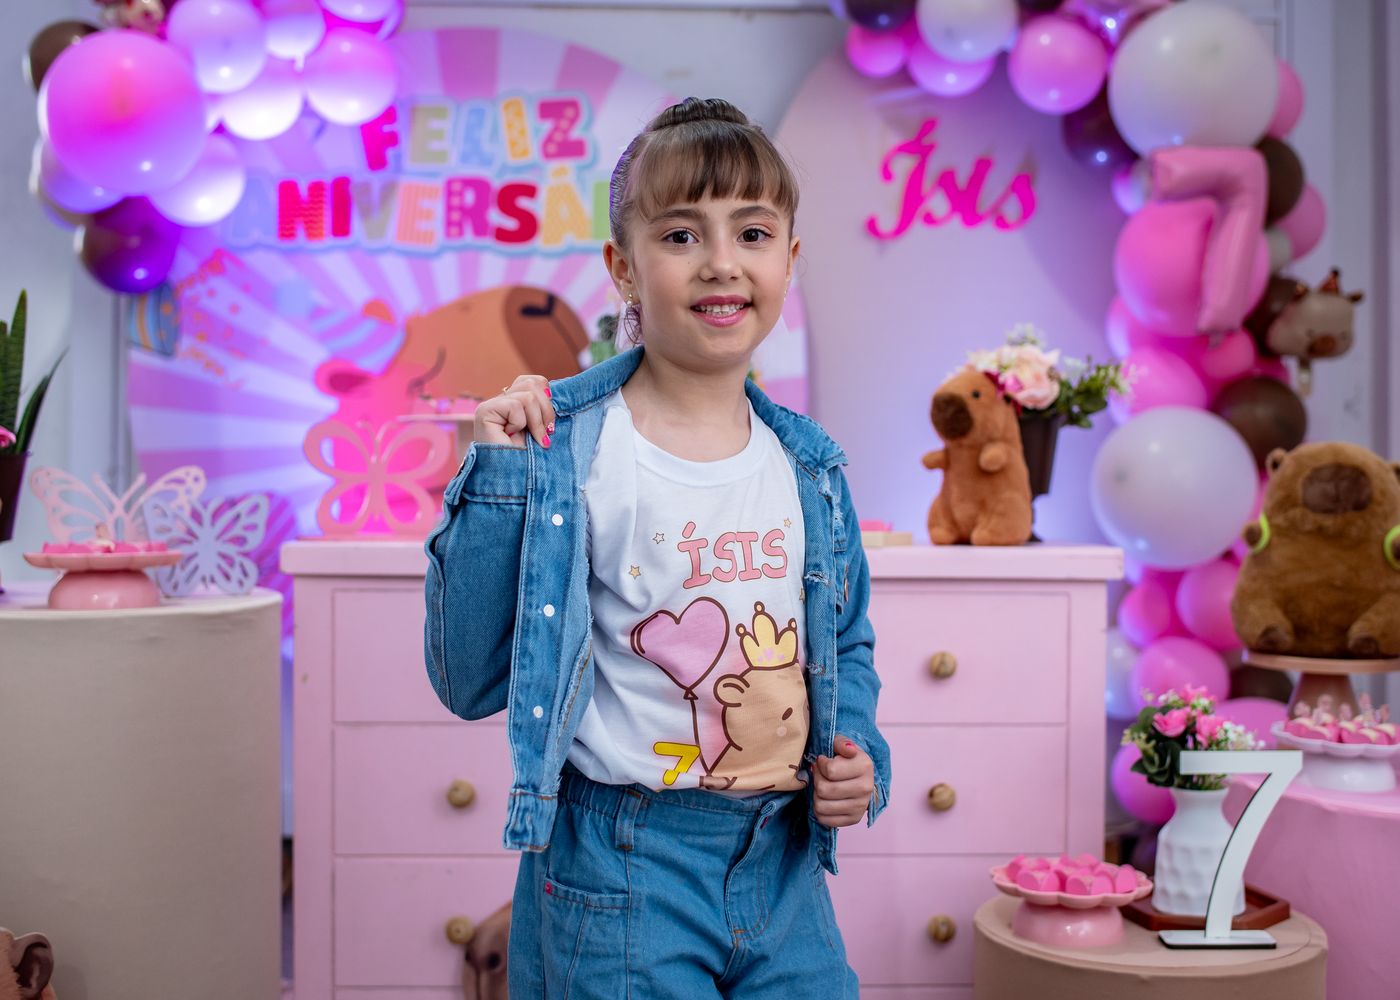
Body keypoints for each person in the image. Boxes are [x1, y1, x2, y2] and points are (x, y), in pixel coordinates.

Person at [424, 96, 891, 999]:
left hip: (784, 860)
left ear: (789, 261)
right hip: (623, 861)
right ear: (624, 268)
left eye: (752, 233)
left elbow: (848, 643)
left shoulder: (811, 469)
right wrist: (497, 479)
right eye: (680, 236)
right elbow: (467, 679)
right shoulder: (567, 451)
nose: (721, 261)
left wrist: (859, 752)